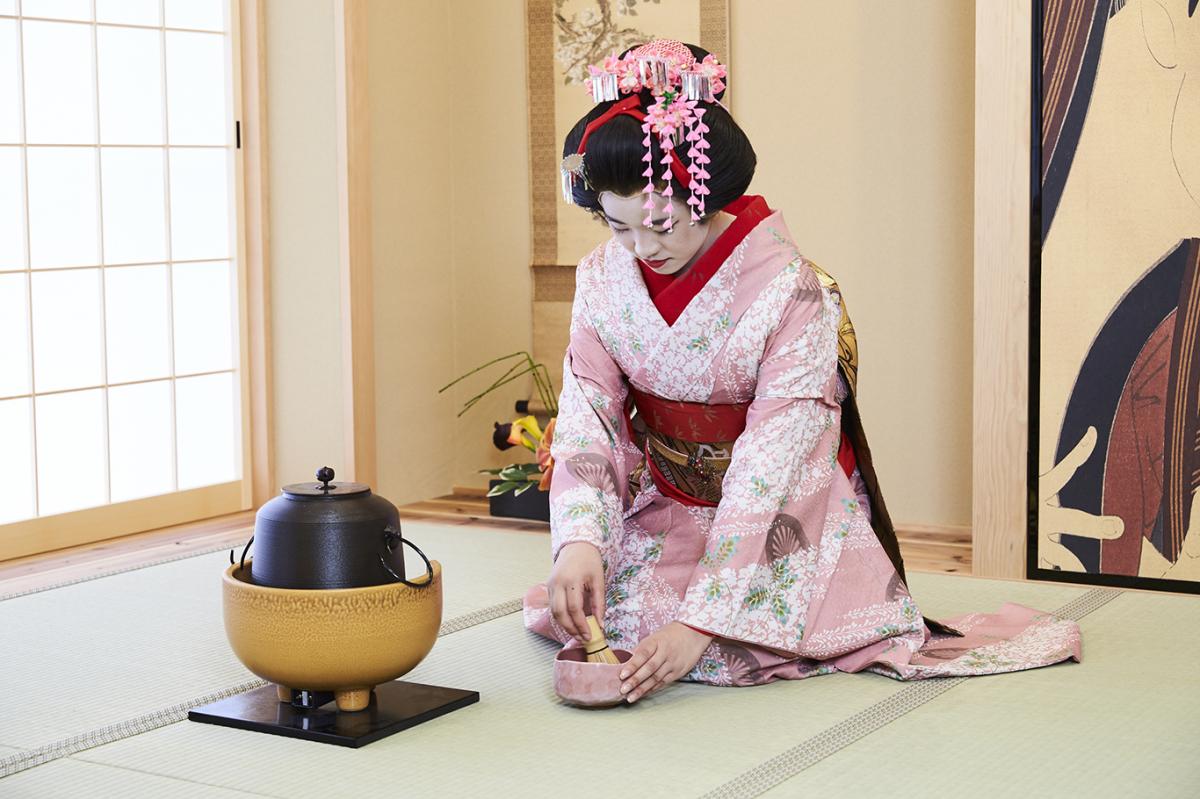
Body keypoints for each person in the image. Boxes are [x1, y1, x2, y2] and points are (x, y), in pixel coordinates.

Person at [523, 40, 1082, 703]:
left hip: (781, 507)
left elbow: (773, 464)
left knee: (736, 633)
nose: (643, 248)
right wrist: (580, 541)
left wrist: (701, 623)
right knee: (598, 609)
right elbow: (588, 414)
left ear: (706, 193)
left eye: (662, 225)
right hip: (672, 500)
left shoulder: (789, 290)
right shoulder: (602, 280)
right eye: (618, 227)